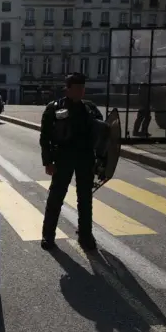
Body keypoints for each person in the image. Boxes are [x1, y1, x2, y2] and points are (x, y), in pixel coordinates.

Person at [39, 72, 103, 251]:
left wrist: (102, 161)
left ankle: (85, 235)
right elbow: (45, 137)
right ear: (67, 89)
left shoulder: (90, 109)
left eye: (83, 88)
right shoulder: (54, 108)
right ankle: (48, 236)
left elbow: (102, 135)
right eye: (77, 88)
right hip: (63, 158)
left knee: (85, 199)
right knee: (56, 198)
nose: (81, 92)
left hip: (85, 159)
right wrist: (48, 162)